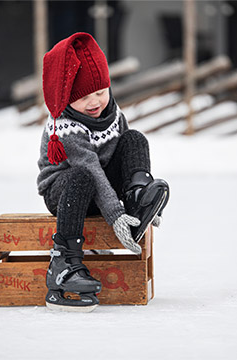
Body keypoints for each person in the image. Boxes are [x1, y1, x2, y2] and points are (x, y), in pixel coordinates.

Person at [37, 32, 170, 312]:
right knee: (83, 176)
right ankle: (64, 262)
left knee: (134, 139)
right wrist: (114, 215)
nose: (95, 101)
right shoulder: (66, 126)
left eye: (100, 91)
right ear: (68, 99)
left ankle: (137, 199)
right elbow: (90, 168)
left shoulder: (112, 113)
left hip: (100, 188)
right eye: (84, 97)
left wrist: (129, 207)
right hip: (66, 193)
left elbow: (119, 157)